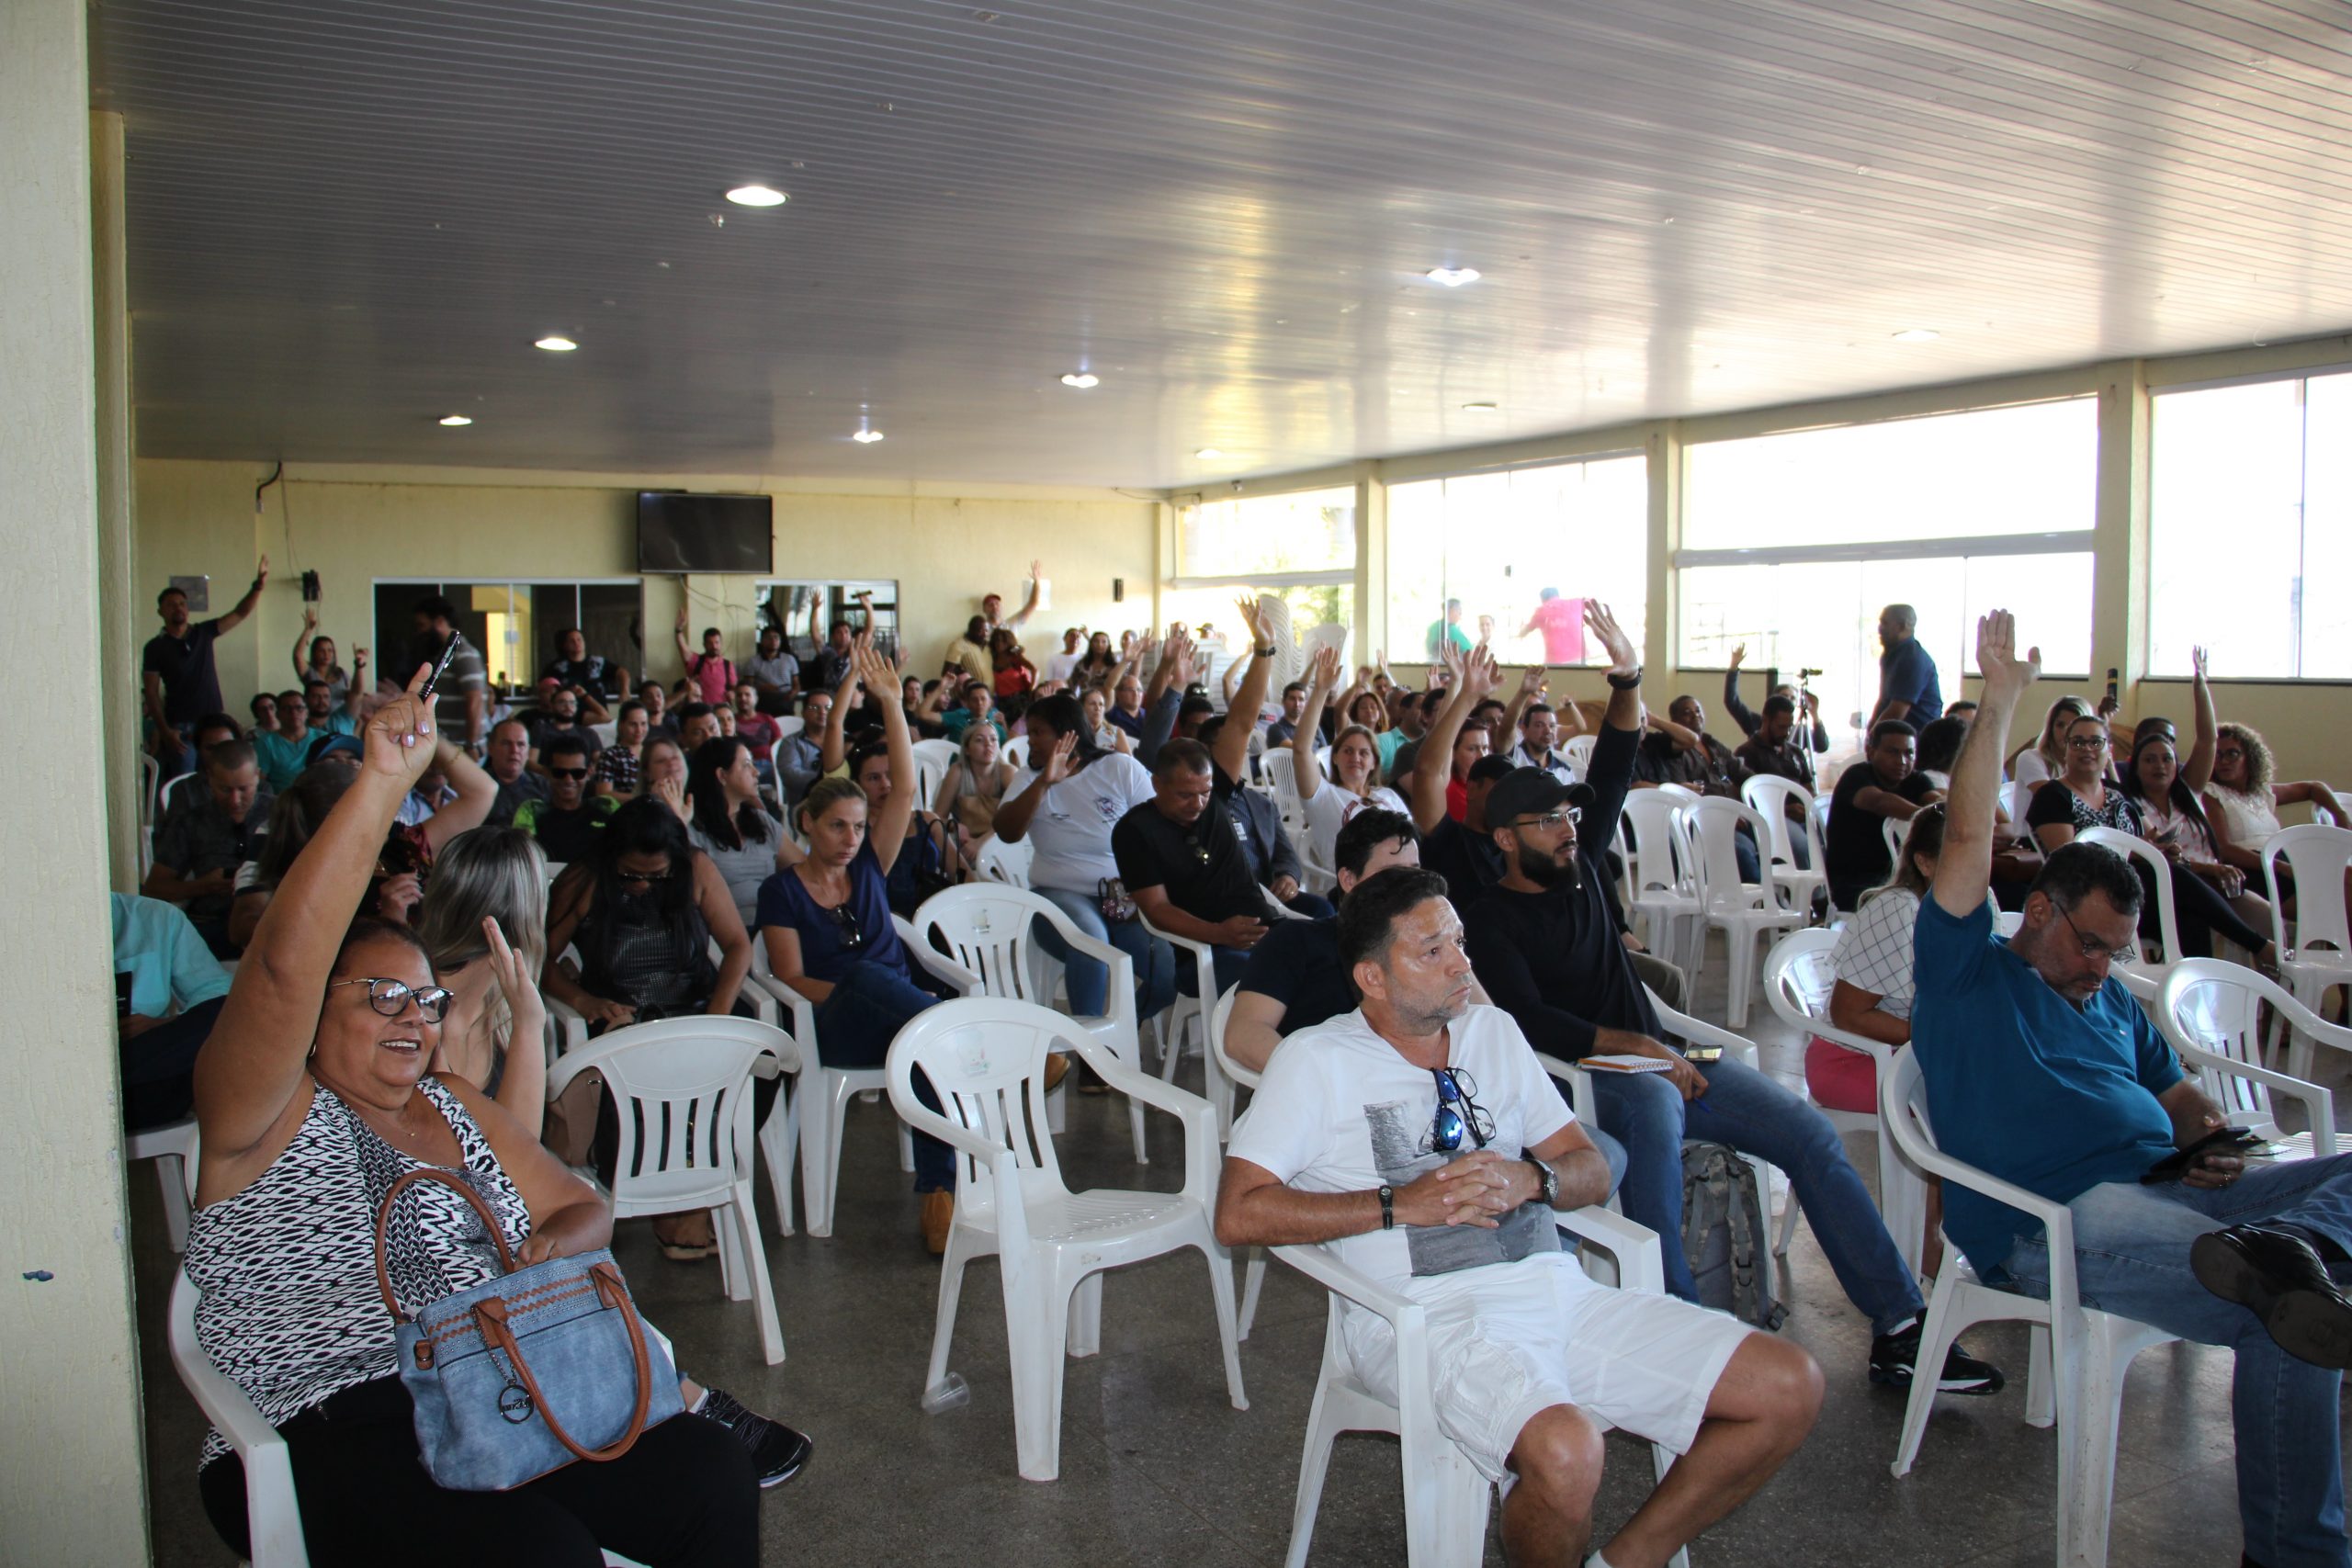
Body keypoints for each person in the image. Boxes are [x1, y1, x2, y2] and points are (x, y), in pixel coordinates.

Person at [183, 669, 758, 1565]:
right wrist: (382, 784)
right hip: (333, 1413)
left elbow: (579, 1203)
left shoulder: (453, 1107)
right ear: (314, 1018)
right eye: (379, 997)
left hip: (492, 1382)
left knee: (711, 1478)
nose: (412, 1019)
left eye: (423, 1001)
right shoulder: (266, 1115)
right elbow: (280, 971)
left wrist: (545, 1247)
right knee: (539, 1553)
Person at [1216, 865, 1820, 1568]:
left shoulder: (1492, 1033)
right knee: (1567, 1449)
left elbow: (1588, 1166)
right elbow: (1238, 1212)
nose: (1462, 965)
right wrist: (1398, 1202)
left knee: (1789, 1385)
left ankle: (1623, 1562)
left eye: (1461, 943)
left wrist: (1532, 1178)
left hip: (1556, 1294)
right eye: (1433, 950)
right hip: (1422, 1318)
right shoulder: (1317, 1060)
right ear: (1372, 978)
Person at [1915, 608, 2352, 1568]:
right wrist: (1997, 704)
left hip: (2172, 1194)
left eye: (2118, 951)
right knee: (2286, 1312)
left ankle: (2299, 1246)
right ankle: (2299, 1552)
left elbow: (2177, 1095)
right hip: (2058, 1227)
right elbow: (1962, 838)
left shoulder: (2108, 1002)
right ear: (2037, 911)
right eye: (2089, 945)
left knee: (2332, 1198)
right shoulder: (1965, 978)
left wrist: (2205, 1141)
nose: (2103, 969)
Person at [1461, 696, 1998, 1398]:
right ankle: (1678, 1323)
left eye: (1571, 817)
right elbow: (1532, 1023)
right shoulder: (1490, 916)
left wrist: (1626, 680)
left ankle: (1901, 1325)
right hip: (1586, 1078)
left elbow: (1620, 760)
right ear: (1505, 838)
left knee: (1806, 1131)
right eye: (1549, 821)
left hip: (1669, 1057)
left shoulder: (1582, 867)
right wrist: (1645, 1049)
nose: (1568, 832)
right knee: (1654, 1098)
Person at [758, 639, 960, 1251]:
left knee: (925, 1047)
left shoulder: (872, 862)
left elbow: (900, 791)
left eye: (855, 824)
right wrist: (857, 987)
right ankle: (972, 1033)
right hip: (830, 1023)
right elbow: (790, 977)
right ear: (808, 827)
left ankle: (938, 1196)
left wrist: (893, 705)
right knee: (871, 978)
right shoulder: (781, 892)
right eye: (836, 826)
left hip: (900, 1015)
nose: (850, 837)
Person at [1114, 600, 1283, 1000]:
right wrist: (1219, 933)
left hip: (1263, 933)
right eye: (1185, 795)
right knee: (1277, 988)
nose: (1199, 803)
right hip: (1202, 952)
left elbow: (1241, 721)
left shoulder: (1214, 796)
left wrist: (1263, 650)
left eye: (1205, 792)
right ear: (1157, 785)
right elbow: (1157, 910)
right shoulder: (1135, 831)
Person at [1814, 806, 1949, 1275]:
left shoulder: (1977, 903)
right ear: (1926, 863)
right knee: (1952, 1095)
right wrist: (1937, 1036)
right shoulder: (1898, 910)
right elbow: (1848, 1014)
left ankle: (1971, 1227)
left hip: (1911, 1053)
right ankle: (1925, 1238)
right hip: (1853, 1057)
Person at [2027, 710, 2273, 964]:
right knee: (2177, 880)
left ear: (2108, 750)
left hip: (2135, 896)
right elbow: (2069, 861)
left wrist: (2166, 849)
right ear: (2065, 749)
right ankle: (2260, 946)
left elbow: (2151, 837)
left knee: (2191, 915)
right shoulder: (2052, 796)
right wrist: (2132, 853)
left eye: (2095, 742)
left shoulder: (2116, 793)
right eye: (2077, 742)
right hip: (2086, 898)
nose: (2086, 748)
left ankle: (2192, 995)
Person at [994, 693, 1178, 1029]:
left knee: (1165, 969)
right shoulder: (1028, 778)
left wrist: (1143, 883)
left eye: (1038, 732)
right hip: (1057, 896)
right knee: (1090, 940)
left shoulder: (1118, 767)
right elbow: (1006, 832)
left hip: (1122, 899)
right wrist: (1044, 783)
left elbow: (1160, 827)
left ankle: (1113, 1035)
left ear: (1068, 734)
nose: (1029, 740)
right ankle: (1094, 1054)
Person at [113, 891, 233, 1130]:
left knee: (226, 1015)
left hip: (148, 1076)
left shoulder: (156, 917)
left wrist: (160, 1025)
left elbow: (213, 989)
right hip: (71, 1082)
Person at [145, 739, 271, 955]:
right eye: (225, 789)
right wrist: (204, 885)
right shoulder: (191, 822)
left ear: (257, 777)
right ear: (209, 780)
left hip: (269, 922)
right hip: (210, 924)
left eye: (244, 789)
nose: (235, 800)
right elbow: (154, 887)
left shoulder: (279, 814)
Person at [1199, 714, 1332, 919]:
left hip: (1270, 895)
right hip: (1227, 902)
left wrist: (1288, 876)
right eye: (1232, 743)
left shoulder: (1261, 803)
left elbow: (1286, 853)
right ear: (1205, 749)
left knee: (1322, 910)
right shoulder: (1197, 802)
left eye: (1244, 743)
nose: (1241, 750)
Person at [144, 559, 267, 780]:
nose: (178, 608)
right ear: (160, 611)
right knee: (185, 783)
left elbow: (240, 613)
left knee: (220, 778)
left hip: (214, 722)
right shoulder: (154, 647)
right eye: (171, 604)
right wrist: (164, 731)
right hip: (180, 729)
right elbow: (151, 693)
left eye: (182, 603)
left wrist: (257, 588)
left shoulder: (204, 632)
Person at [1292, 646, 1410, 872]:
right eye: (1347, 751)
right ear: (1334, 758)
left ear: (1374, 761)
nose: (1355, 757)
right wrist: (1320, 690)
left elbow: (1410, 839)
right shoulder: (1322, 795)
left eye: (1364, 753)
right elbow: (1301, 749)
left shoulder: (1387, 796)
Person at [2205, 721, 2349, 890]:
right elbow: (2224, 849)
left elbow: (2314, 788)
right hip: (2254, 869)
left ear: (2250, 757)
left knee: (2345, 876)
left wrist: (2341, 816)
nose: (2223, 761)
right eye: (2218, 755)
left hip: (2283, 860)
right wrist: (2278, 866)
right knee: (2336, 892)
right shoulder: (2212, 793)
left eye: (2232, 754)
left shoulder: (2262, 793)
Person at [1826, 719, 1938, 909]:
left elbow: (1935, 799)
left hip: (1903, 880)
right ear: (1871, 751)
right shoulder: (1856, 776)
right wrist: (1927, 815)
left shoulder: (1917, 780)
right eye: (1893, 752)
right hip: (1855, 882)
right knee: (1914, 905)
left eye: (1909, 753)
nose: (1902, 761)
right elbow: (1879, 801)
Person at [688, 737, 797, 931]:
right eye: (747, 765)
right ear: (722, 775)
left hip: (775, 925)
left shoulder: (761, 821)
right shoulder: (694, 829)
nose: (756, 772)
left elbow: (802, 870)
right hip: (724, 933)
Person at [849, 739, 961, 919]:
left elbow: (963, 874)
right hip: (881, 918)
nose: (885, 784)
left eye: (891, 774)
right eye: (873, 778)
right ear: (858, 784)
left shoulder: (928, 821)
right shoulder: (855, 831)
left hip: (935, 916)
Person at [514, 737, 618, 865]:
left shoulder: (606, 807)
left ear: (589, 772)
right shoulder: (532, 811)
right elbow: (522, 861)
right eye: (559, 773)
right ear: (546, 772)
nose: (568, 780)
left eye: (577, 773)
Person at [1721, 645, 1829, 761]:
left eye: (1792, 698)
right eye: (1784, 696)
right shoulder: (1759, 723)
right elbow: (1732, 702)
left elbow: (1821, 746)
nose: (1788, 700)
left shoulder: (1798, 731)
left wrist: (1814, 714)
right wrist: (1733, 668)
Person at [409, 595, 488, 751]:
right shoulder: (442, 656)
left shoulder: (464, 654)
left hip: (461, 750)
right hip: (447, 748)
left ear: (439, 622)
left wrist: (471, 745)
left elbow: (475, 700)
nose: (419, 632)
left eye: (422, 625)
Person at [935, 721, 1016, 859]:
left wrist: (980, 843)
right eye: (979, 740)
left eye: (993, 739)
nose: (988, 744)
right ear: (967, 749)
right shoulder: (957, 772)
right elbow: (937, 818)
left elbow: (1016, 818)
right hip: (967, 845)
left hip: (1004, 843)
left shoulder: (1008, 772)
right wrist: (955, 826)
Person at [1733, 693, 1823, 795]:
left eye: (1789, 727)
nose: (1786, 733)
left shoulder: (1796, 752)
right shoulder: (1747, 752)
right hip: (1769, 810)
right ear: (1765, 720)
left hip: (1802, 809)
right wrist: (1784, 809)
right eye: (1781, 727)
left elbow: (1809, 789)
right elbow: (1744, 796)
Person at [1871, 603, 1942, 727]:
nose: (1880, 629)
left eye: (1885, 623)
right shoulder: (1891, 654)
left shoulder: (1912, 658)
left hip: (1918, 738)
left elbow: (1896, 712)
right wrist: (1871, 727)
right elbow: (1884, 700)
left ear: (1901, 626)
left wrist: (1873, 738)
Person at [474, 716, 547, 826]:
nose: (514, 750)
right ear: (491, 748)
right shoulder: (476, 785)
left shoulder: (543, 786)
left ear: (528, 751)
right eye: (506, 744)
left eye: (521, 744)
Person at [251, 690, 315, 793]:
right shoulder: (265, 743)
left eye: (299, 708)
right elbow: (259, 782)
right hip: (281, 802)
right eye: (287, 708)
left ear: (307, 712)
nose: (293, 713)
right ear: (278, 714)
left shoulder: (322, 738)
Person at [774, 689, 829, 807]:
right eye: (815, 708)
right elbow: (791, 775)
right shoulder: (791, 742)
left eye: (828, 708)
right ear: (803, 712)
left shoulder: (844, 740)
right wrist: (826, 779)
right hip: (805, 806)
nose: (823, 712)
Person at [541, 625, 627, 699]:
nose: (576, 643)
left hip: (599, 709)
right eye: (572, 641)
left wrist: (624, 691)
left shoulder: (597, 662)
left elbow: (622, 672)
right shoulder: (557, 667)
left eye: (579, 639)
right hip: (571, 712)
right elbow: (543, 686)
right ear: (565, 645)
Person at [529, 683, 603, 764]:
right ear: (552, 706)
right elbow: (531, 763)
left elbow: (600, 763)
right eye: (562, 703)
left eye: (572, 703)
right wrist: (549, 773)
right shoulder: (541, 730)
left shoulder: (589, 733)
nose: (568, 707)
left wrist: (585, 696)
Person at [289, 608, 348, 706]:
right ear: (314, 653)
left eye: (330, 650)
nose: (326, 654)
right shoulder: (309, 672)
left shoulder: (341, 673)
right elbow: (297, 655)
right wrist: (308, 630)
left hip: (339, 720)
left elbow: (351, 697)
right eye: (322, 650)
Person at [593, 701, 650, 799]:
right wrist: (640, 799)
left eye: (643, 724)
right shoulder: (610, 755)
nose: (639, 730)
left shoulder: (653, 752)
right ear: (621, 725)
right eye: (633, 724)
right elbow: (603, 793)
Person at [1517, 586, 1587, 665]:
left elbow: (1525, 631)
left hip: (1555, 663)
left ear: (1542, 599)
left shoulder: (1541, 611)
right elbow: (1593, 602)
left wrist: (1521, 630)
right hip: (1580, 659)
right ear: (1557, 595)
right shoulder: (1575, 603)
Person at [745, 625, 801, 715]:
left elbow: (797, 685)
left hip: (785, 701)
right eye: (769, 638)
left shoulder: (789, 659)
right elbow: (747, 687)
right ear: (762, 641)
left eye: (776, 637)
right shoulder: (753, 662)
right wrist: (761, 688)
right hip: (763, 702)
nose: (773, 640)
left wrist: (794, 693)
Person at [729, 682, 780, 773]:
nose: (743, 698)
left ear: (756, 699)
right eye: (739, 695)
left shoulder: (767, 719)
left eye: (747, 695)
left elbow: (778, 742)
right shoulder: (730, 720)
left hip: (768, 765)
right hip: (741, 767)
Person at [941, 681, 1009, 746]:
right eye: (974, 700)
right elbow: (929, 716)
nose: (979, 703)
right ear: (967, 704)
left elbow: (1006, 750)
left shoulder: (997, 728)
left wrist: (1004, 723)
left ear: (990, 702)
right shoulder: (958, 717)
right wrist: (940, 687)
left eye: (983, 699)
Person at [941, 615, 996, 689]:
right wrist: (963, 675)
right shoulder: (958, 645)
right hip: (969, 696)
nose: (984, 634)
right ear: (971, 630)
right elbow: (946, 673)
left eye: (986, 630)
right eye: (979, 630)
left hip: (990, 696)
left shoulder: (988, 646)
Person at [988, 627, 1035, 705]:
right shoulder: (991, 658)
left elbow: (1034, 669)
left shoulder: (1014, 656)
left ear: (1008, 642)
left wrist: (1032, 689)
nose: (999, 643)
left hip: (1020, 700)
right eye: (997, 640)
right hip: (1001, 702)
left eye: (1004, 641)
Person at [1424, 596, 1473, 662]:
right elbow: (1470, 652)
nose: (1460, 616)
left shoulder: (1432, 627)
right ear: (1452, 611)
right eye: (1459, 612)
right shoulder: (1452, 630)